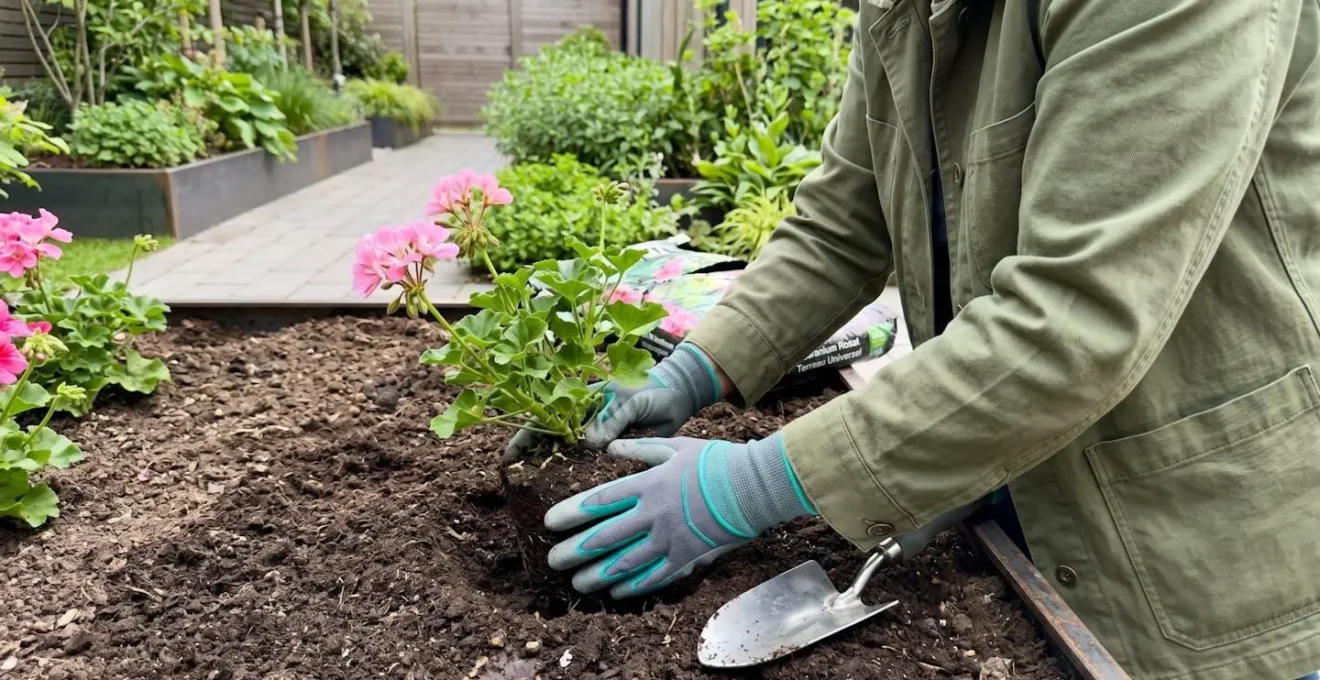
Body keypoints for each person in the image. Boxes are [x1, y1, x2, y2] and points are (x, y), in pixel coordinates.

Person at [511, 2, 1320, 679]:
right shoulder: (905, 7)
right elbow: (840, 224)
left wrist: (750, 486)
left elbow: (1079, 316)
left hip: (1192, 535)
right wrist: (695, 368)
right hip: (1002, 461)